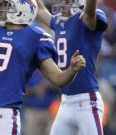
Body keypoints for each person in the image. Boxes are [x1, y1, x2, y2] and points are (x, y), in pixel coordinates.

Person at [0, 0, 86, 135]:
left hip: (3, 113)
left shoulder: (36, 37)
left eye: (5, 5)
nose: (0, 8)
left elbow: (58, 79)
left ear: (21, 11)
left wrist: (72, 70)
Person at [36, 0, 108, 135]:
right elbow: (39, 10)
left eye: (67, 0)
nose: (62, 3)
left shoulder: (85, 18)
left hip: (87, 101)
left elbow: (89, 14)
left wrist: (88, 5)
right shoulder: (59, 22)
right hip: (65, 102)